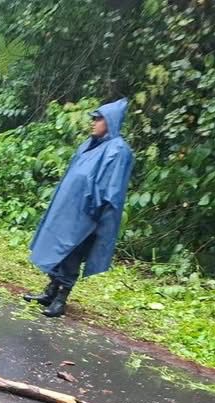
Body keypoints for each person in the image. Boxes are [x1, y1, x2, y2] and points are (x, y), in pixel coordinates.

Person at [24, 98, 134, 318]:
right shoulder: (89, 145)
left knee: (72, 253)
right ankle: (50, 291)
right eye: (93, 118)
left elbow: (112, 188)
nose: (93, 123)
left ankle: (61, 299)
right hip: (68, 210)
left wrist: (96, 214)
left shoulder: (118, 150)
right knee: (58, 249)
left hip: (88, 214)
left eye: (98, 119)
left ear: (110, 121)